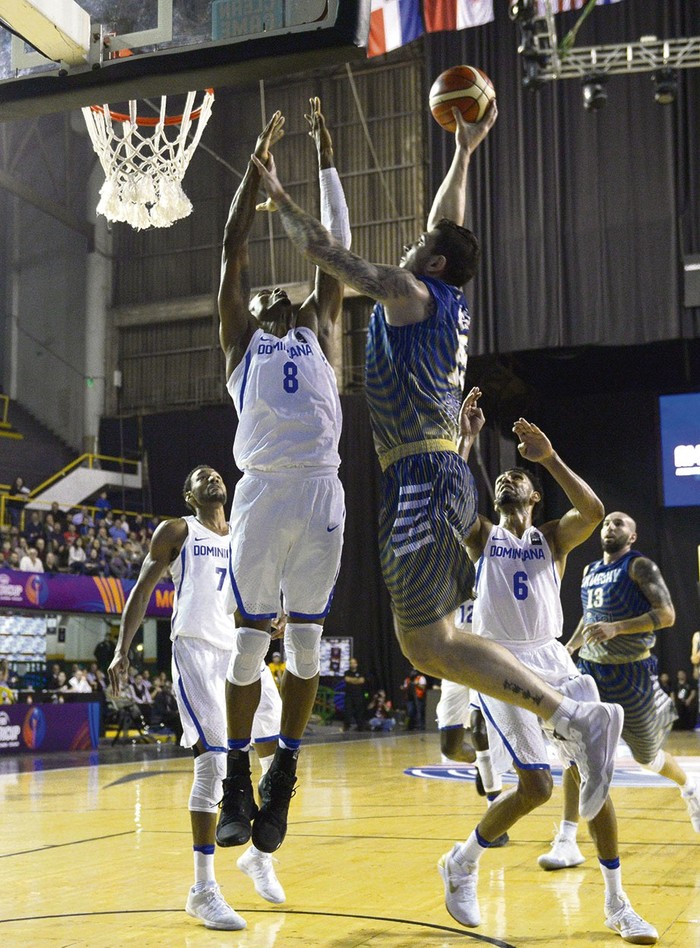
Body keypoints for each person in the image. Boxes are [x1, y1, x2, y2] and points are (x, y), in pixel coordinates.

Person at [252, 107, 622, 822]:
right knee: (431, 641)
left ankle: (571, 717)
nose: (411, 241)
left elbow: (331, 254)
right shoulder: (446, 295)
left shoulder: (413, 291)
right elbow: (444, 223)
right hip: (436, 471)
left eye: (420, 243)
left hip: (425, 476)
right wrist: (464, 151)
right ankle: (563, 715)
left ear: (435, 262)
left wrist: (280, 198)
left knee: (426, 642)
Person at [436, 410, 656, 943]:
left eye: (521, 479)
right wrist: (466, 441)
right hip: (501, 662)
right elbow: (447, 505)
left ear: (534, 496)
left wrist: (550, 458)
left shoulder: (553, 538)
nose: (510, 478)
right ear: (496, 500)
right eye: (504, 479)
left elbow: (594, 509)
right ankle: (462, 862)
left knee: (596, 778)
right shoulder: (483, 536)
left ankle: (616, 901)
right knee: (535, 785)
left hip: (554, 661)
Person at [215, 98, 350, 857]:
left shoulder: (323, 330)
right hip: (263, 489)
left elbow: (337, 249)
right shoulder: (240, 344)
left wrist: (326, 159)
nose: (273, 292)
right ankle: (239, 775)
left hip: (320, 489)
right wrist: (255, 176)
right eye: (264, 293)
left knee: (305, 651)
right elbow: (231, 249)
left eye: (284, 291)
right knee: (244, 649)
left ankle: (285, 774)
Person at [109, 465, 286, 932]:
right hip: (196, 652)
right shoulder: (177, 530)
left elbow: (264, 584)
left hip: (242, 649)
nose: (210, 477)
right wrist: (122, 649)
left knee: (278, 755)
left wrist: (279, 612)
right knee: (211, 764)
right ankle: (202, 890)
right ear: (189, 495)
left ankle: (259, 854)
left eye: (214, 473)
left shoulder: (244, 531)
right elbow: (143, 588)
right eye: (198, 476)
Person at [551, 511, 700, 842]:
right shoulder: (589, 571)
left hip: (631, 672)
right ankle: (566, 836)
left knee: (647, 757)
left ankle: (689, 789)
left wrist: (617, 627)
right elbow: (590, 618)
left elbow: (667, 615)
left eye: (619, 524)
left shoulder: (639, 566)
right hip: (590, 671)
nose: (609, 527)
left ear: (631, 536)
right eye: (606, 523)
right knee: (574, 752)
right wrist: (572, 646)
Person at [343, 657, 367, 731]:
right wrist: (356, 680)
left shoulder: (361, 672)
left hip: (358, 695)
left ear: (356, 664)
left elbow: (362, 681)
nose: (352, 664)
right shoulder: (347, 672)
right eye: (351, 663)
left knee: (359, 711)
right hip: (349, 695)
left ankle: (360, 726)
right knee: (348, 710)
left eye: (354, 663)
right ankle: (347, 726)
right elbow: (347, 679)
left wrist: (352, 680)